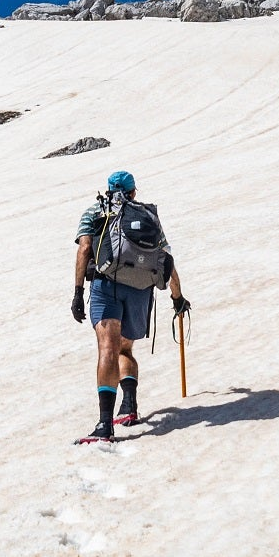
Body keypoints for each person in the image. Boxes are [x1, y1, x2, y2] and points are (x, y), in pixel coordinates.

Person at [71, 170, 188, 444]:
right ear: (133, 191)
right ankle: (129, 407)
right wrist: (177, 297)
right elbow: (165, 257)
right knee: (124, 348)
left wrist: (78, 293)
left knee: (107, 349)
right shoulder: (146, 217)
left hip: (107, 287)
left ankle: (105, 424)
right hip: (139, 292)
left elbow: (84, 249)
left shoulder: (95, 211)